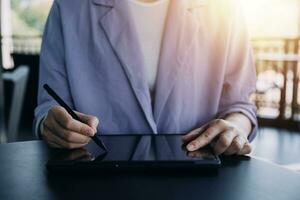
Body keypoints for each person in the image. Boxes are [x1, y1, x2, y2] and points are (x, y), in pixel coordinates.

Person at [34, 0, 257, 155]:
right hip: (95, 174)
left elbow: (239, 105)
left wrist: (235, 127)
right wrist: (51, 125)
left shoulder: (225, 9)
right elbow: (49, 106)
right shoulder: (68, 7)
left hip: (200, 176)